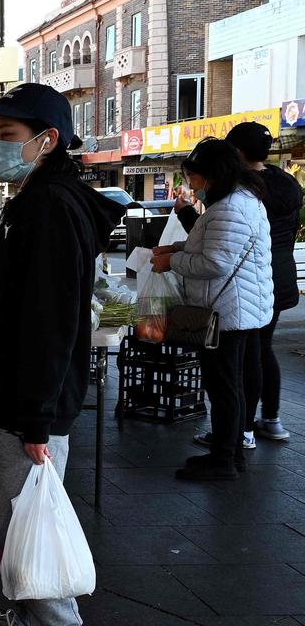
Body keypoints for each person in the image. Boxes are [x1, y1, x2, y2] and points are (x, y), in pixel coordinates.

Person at [0, 83, 124, 626]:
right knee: (18, 542)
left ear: (47, 140)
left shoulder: (51, 207)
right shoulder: (29, 200)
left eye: (6, 136)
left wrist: (36, 419)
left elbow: (50, 321)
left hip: (23, 410)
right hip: (8, 402)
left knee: (34, 551)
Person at [151, 137, 273, 480]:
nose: (191, 184)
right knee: (229, 385)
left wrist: (172, 261)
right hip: (240, 308)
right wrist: (175, 248)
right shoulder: (240, 202)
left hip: (229, 312)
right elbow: (211, 246)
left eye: (194, 176)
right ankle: (229, 453)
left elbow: (215, 262)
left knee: (224, 387)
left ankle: (223, 461)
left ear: (212, 174)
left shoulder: (231, 208)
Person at [230, 123, 303, 442]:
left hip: (255, 277)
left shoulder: (242, 187)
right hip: (283, 276)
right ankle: (270, 419)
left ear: (238, 152)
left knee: (249, 353)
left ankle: (244, 429)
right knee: (264, 348)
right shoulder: (287, 183)